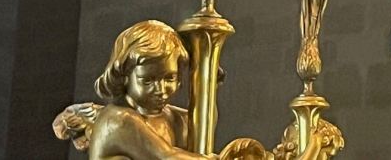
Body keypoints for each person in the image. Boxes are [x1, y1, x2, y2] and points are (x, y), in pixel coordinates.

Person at [52, 20, 269, 159]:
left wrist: (207, 86)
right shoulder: (117, 120)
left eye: (170, 78)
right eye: (148, 80)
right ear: (125, 76)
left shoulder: (172, 117)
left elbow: (202, 128)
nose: (161, 89)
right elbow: (167, 157)